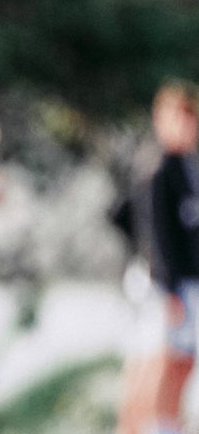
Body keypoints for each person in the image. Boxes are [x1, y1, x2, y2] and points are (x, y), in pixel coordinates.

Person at [114, 80, 199, 434]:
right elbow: (150, 231)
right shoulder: (156, 167)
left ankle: (166, 425)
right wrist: (165, 285)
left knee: (181, 360)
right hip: (163, 282)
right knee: (153, 361)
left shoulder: (185, 167)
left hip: (185, 280)